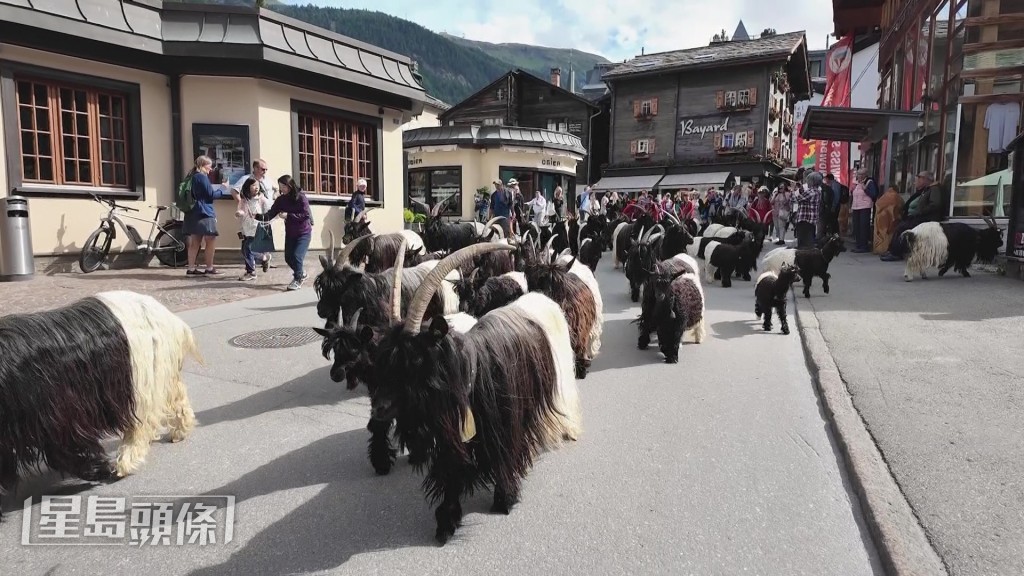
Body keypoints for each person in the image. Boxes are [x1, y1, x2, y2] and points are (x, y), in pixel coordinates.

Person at [254, 175, 313, 291]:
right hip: (291, 233)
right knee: (288, 258)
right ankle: (301, 272)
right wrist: (257, 216)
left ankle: (298, 279)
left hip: (303, 233)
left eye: (284, 186)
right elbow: (271, 213)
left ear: (290, 185)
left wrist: (289, 216)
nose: (282, 189)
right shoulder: (281, 200)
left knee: (297, 256)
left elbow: (305, 214)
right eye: (280, 187)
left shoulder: (301, 197)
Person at [880, 171, 945, 261]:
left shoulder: (934, 189)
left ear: (926, 179)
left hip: (928, 219)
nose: (917, 180)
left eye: (920, 178)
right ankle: (892, 251)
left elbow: (935, 204)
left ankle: (896, 253)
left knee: (903, 228)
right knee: (900, 226)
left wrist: (921, 211)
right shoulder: (928, 189)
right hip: (922, 217)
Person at [184, 155, 225, 276]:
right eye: (209, 166)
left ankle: (191, 269)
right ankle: (209, 268)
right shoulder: (202, 177)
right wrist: (222, 189)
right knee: (210, 240)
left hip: (193, 212)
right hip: (205, 212)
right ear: (202, 165)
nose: (211, 169)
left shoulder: (191, 176)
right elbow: (210, 195)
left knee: (195, 242)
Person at [234, 177, 273, 281]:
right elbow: (241, 210)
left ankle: (252, 271)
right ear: (248, 187)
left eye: (257, 186)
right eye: (253, 185)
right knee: (245, 250)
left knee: (248, 249)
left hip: (257, 228)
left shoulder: (262, 200)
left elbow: (268, 213)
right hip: (246, 228)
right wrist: (239, 213)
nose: (256, 188)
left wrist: (266, 223)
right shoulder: (244, 200)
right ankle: (257, 264)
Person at [793, 171, 823, 249]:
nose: (807, 182)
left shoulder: (811, 191)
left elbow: (796, 198)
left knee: (803, 244)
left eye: (808, 180)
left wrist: (796, 190)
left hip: (804, 220)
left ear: (812, 181)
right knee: (809, 242)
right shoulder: (818, 191)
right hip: (811, 221)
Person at [873, 186, 905, 254]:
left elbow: (877, 204)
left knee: (881, 234)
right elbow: (901, 206)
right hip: (891, 219)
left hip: (880, 218)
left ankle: (879, 249)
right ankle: (887, 249)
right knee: (889, 234)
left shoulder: (884, 196)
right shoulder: (897, 197)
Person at [849, 169, 874, 253]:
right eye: (858, 174)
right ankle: (858, 244)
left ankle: (864, 246)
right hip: (856, 207)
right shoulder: (856, 183)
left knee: (863, 226)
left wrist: (865, 189)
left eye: (860, 174)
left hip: (864, 207)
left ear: (865, 175)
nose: (858, 176)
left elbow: (873, 194)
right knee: (856, 226)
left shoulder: (869, 182)